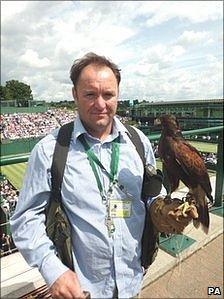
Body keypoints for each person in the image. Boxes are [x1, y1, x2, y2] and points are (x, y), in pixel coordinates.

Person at [10, 53, 197, 299]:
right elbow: (25, 219)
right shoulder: (49, 150)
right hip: (84, 289)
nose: (100, 104)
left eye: (108, 94)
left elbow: (152, 192)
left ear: (118, 94)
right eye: (90, 94)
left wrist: (162, 208)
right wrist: (52, 269)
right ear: (75, 95)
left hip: (133, 280)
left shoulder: (138, 142)